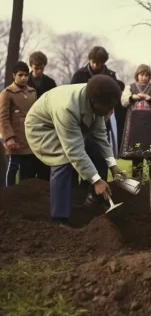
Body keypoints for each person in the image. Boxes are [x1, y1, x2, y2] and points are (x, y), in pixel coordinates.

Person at [24, 75, 125, 226]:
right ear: (94, 102)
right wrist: (96, 180)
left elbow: (101, 137)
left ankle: (92, 199)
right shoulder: (67, 107)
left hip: (70, 127)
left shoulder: (97, 96)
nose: (111, 112)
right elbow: (74, 150)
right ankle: (60, 219)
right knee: (63, 161)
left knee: (95, 150)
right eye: (109, 108)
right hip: (43, 130)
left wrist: (113, 165)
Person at [70, 46, 119, 196]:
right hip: (81, 123)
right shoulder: (79, 75)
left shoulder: (110, 75)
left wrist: (107, 113)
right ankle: (76, 191)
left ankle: (99, 192)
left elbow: (114, 98)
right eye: (93, 62)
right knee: (79, 153)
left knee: (99, 154)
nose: (95, 66)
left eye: (99, 63)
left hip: (102, 120)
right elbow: (72, 97)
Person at [120, 64, 151, 180]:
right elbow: (124, 102)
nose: (144, 77)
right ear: (137, 75)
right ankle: (137, 182)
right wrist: (133, 98)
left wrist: (148, 98)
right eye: (142, 75)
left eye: (146, 75)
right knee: (136, 154)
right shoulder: (129, 87)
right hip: (135, 126)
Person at [0, 61, 37, 186]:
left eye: (26, 75)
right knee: (13, 168)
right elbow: (3, 118)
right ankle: (8, 195)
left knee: (28, 170)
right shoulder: (7, 93)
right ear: (14, 76)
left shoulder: (32, 92)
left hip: (30, 137)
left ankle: (23, 198)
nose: (24, 78)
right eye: (20, 75)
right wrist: (9, 137)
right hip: (15, 139)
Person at [27, 51, 57, 181]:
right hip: (28, 123)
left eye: (41, 68)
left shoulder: (50, 83)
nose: (39, 71)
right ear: (31, 67)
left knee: (45, 163)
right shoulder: (24, 81)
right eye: (36, 68)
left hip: (45, 124)